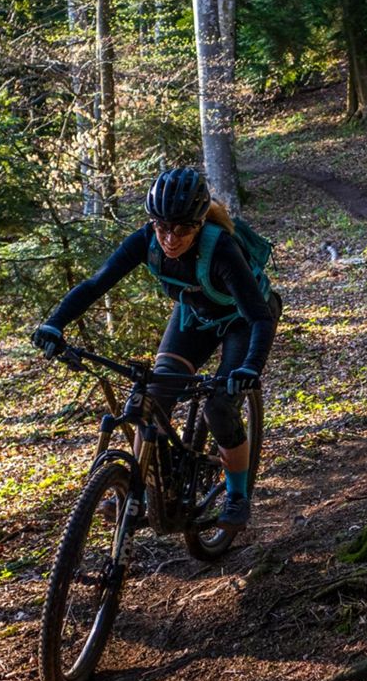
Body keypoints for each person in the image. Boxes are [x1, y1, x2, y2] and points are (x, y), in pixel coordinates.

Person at [32, 167, 278, 528]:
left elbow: (259, 317)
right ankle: (142, 492)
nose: (170, 238)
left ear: (198, 224)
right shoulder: (145, 241)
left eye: (182, 229)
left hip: (243, 319)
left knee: (219, 407)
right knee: (151, 398)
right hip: (195, 316)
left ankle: (237, 496)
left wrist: (250, 368)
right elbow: (96, 284)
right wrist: (55, 323)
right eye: (162, 226)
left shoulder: (221, 249)